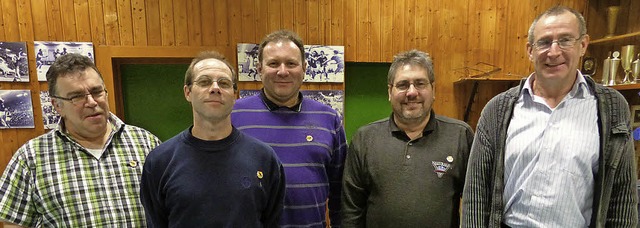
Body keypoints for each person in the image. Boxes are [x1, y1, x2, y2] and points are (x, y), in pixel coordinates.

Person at [462, 6, 638, 227]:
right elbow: (476, 195)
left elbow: (622, 196)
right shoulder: (497, 110)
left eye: (565, 40)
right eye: (544, 42)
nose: (554, 52)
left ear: (583, 45)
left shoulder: (612, 108)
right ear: (530, 50)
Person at [0, 53, 161, 227]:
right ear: (57, 106)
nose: (91, 102)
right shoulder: (30, 158)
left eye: (96, 91)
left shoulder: (146, 143)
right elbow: (14, 223)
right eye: (76, 96)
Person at [140, 51, 286, 227]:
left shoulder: (264, 158)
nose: (215, 88)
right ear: (187, 92)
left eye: (224, 83)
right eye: (204, 82)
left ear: (234, 94)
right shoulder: (160, 161)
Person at [341, 50, 474, 227]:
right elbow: (351, 210)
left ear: (433, 89)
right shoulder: (365, 139)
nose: (412, 93)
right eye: (403, 85)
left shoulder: (460, 136)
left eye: (420, 83)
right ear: (390, 91)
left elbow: (475, 204)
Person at [232, 30, 347, 227]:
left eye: (291, 64)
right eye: (273, 63)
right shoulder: (233, 115)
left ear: (304, 68)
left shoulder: (329, 118)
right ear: (259, 69)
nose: (283, 71)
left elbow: (341, 193)